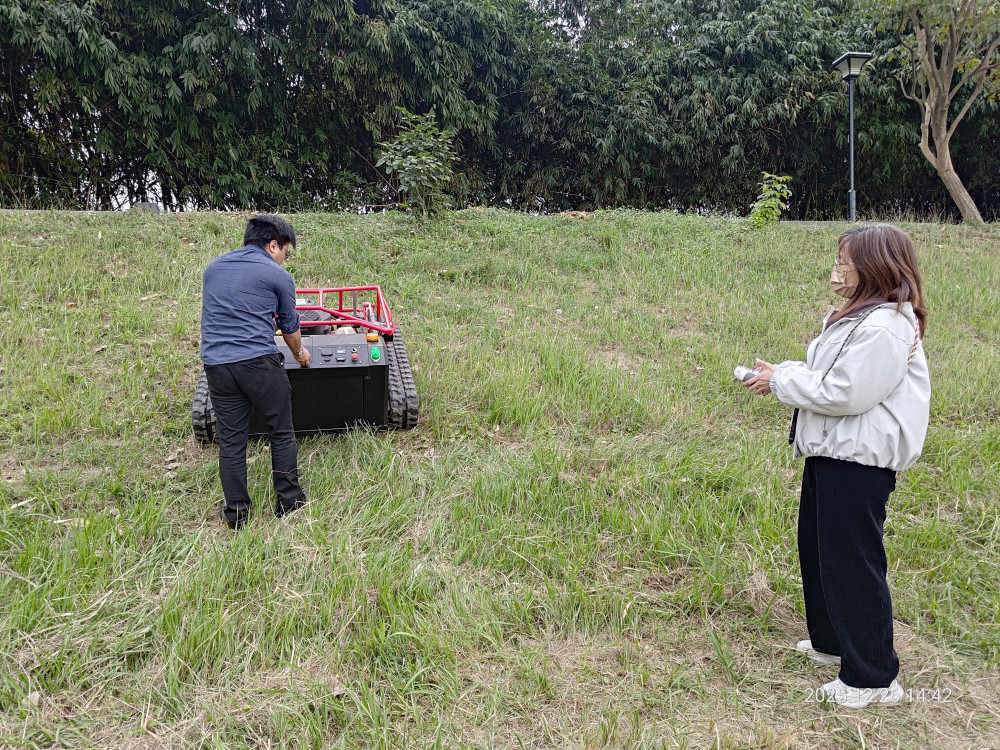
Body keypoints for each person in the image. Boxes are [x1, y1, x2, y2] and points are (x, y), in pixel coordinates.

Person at [743, 223, 930, 708]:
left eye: (846, 258)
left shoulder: (886, 326)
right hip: (834, 452)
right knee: (820, 550)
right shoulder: (859, 318)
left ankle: (872, 678)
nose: (839, 266)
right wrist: (781, 372)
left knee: (853, 562)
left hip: (859, 461)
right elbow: (831, 377)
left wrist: (781, 385)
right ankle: (832, 643)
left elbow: (844, 393)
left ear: (873, 264)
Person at [200, 214, 312, 529]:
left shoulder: (214, 268)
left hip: (217, 364)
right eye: (284, 251)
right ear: (273, 243)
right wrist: (300, 354)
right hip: (258, 362)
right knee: (281, 430)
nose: (284, 258)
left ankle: (237, 516)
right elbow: (289, 328)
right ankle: (289, 502)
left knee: (232, 441)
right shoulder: (277, 275)